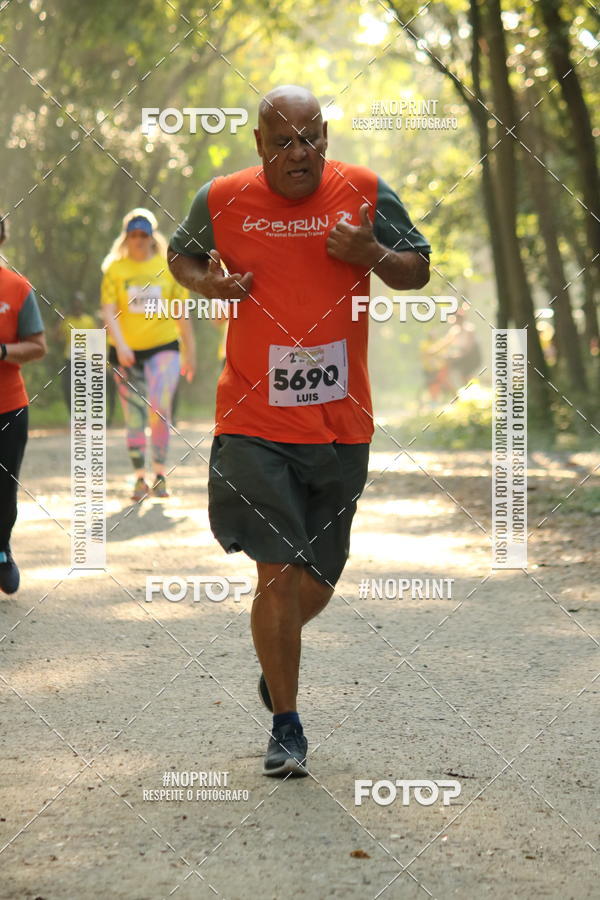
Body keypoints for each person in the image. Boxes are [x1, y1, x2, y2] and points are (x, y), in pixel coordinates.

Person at [168, 85, 431, 777]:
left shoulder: (366, 190)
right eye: (282, 141)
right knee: (276, 571)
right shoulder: (221, 198)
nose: (299, 153)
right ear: (258, 145)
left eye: (311, 137)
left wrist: (371, 251)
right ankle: (287, 724)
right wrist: (209, 284)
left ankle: (274, 655)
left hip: (341, 426)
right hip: (252, 421)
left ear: (327, 137)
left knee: (318, 578)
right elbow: (182, 255)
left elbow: (418, 269)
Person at [101, 208, 196, 501]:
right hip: (126, 353)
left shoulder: (168, 266)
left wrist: (190, 351)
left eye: (144, 234)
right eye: (133, 235)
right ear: (126, 237)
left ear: (152, 236)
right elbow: (107, 310)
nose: (139, 240)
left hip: (164, 347)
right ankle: (139, 479)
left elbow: (182, 313)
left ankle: (159, 474)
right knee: (133, 417)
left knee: (159, 407)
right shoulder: (115, 270)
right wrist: (121, 344)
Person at [0, 215, 47, 593]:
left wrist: (3, 350)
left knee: (4, 486)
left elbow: (38, 345)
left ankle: (1, 548)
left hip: (7, 407)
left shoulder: (17, 289)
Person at [54, 292, 96, 412]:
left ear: (83, 305)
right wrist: (60, 319)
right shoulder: (67, 321)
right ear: (72, 305)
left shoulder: (89, 320)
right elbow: (56, 338)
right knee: (67, 389)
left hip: (86, 360)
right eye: (75, 303)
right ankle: (73, 415)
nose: (77, 305)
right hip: (70, 360)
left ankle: (86, 416)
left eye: (80, 303)